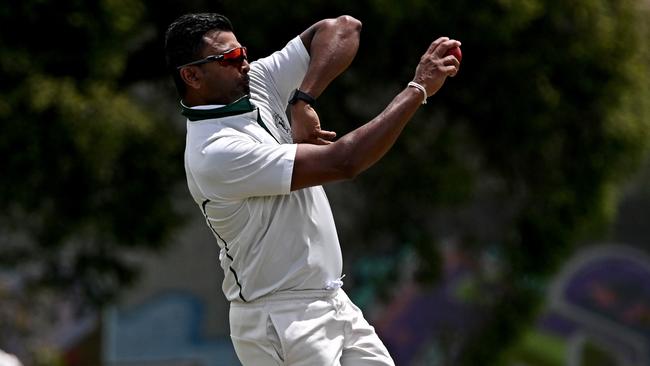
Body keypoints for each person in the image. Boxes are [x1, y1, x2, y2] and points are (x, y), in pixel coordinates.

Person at [164, 12, 460, 365]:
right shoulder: (214, 151)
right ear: (192, 75)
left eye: (242, 51)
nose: (243, 61)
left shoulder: (256, 83)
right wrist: (418, 89)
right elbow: (344, 163)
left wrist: (304, 99)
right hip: (279, 317)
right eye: (228, 58)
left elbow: (343, 28)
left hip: (331, 299)